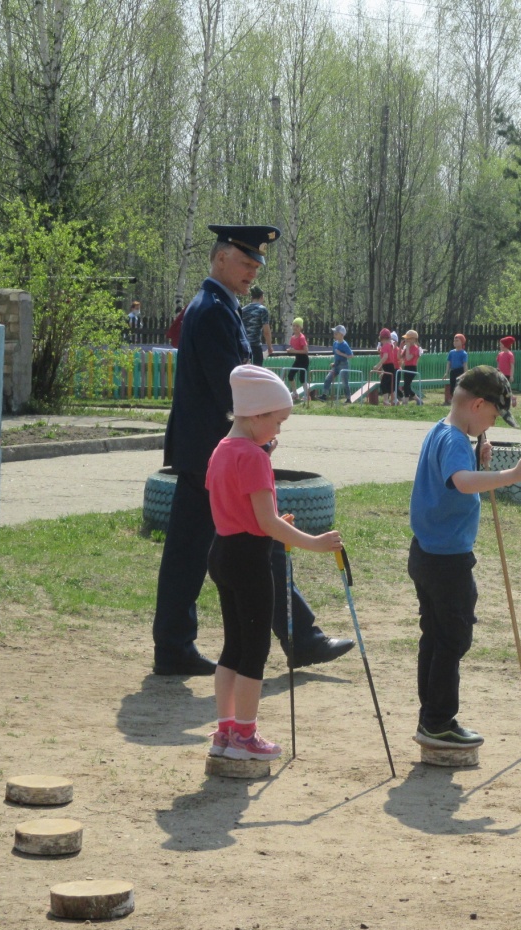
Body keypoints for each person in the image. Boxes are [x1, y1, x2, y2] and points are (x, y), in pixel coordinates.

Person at [153, 223, 353, 677]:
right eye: (245, 263)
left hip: (214, 450)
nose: (251, 272)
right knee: (255, 540)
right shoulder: (213, 309)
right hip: (221, 451)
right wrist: (256, 427)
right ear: (220, 258)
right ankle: (298, 638)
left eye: (257, 265)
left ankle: (176, 644)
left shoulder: (219, 306)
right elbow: (234, 384)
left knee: (204, 549)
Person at [206, 366, 344, 761]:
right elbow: (266, 522)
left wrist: (268, 527)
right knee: (255, 649)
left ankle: (225, 731)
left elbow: (239, 511)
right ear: (255, 415)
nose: (279, 432)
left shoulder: (222, 450)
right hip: (249, 561)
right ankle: (246, 737)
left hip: (223, 552)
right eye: (278, 421)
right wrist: (315, 543)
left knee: (233, 646)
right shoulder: (253, 457)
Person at [408, 367, 521, 749]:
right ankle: (438, 721)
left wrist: (479, 461)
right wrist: (511, 474)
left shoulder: (442, 430)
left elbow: (458, 480)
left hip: (426, 553)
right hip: (447, 560)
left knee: (434, 638)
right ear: (478, 404)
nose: (492, 424)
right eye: (494, 416)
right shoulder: (453, 440)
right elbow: (461, 482)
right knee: (452, 639)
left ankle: (430, 717)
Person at [318, 325, 352, 402]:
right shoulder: (335, 344)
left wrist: (341, 354)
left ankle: (348, 398)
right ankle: (324, 395)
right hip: (336, 364)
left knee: (344, 382)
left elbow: (351, 355)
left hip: (344, 364)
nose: (334, 335)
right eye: (334, 333)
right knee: (328, 378)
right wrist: (334, 363)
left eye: (336, 333)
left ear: (342, 335)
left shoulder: (344, 344)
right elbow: (336, 355)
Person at [240, 286, 271, 367]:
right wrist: (269, 347)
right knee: (256, 374)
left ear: (252, 297)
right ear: (261, 297)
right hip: (255, 347)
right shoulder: (262, 310)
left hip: (243, 347)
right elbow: (266, 332)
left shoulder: (243, 310)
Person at [285, 317, 309, 398]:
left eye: (297, 326)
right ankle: (295, 393)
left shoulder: (302, 337)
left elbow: (305, 351)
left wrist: (294, 351)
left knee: (302, 378)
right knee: (290, 375)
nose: (295, 328)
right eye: (294, 326)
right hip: (298, 359)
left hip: (304, 359)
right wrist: (290, 350)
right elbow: (295, 348)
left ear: (301, 328)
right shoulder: (292, 338)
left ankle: (306, 395)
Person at [399, 329, 423, 405]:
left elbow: (409, 357)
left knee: (406, 385)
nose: (406, 340)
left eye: (408, 338)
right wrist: (401, 347)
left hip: (412, 368)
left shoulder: (415, 348)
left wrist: (408, 347)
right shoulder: (407, 348)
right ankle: (416, 400)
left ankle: (406, 401)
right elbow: (400, 356)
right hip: (406, 367)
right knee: (406, 385)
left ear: (413, 339)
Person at [377, 328, 400, 405]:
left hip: (387, 366)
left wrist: (378, 365)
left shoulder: (385, 346)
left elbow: (385, 357)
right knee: (390, 385)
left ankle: (386, 401)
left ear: (382, 338)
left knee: (383, 384)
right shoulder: (390, 345)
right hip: (391, 367)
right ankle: (395, 400)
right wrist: (380, 351)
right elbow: (386, 353)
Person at [445, 333, 468, 404]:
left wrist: (465, 373)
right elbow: (449, 363)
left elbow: (465, 364)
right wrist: (446, 372)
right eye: (454, 341)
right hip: (453, 371)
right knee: (452, 386)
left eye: (457, 340)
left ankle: (460, 400)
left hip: (460, 371)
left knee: (459, 386)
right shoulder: (451, 352)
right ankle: (454, 399)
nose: (455, 342)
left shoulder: (464, 353)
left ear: (462, 342)